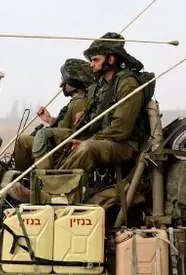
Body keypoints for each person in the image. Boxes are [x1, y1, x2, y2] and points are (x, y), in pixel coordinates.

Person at [58, 32, 150, 177]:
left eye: (95, 60)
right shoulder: (103, 85)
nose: (91, 65)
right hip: (104, 138)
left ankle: (52, 192)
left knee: (86, 149)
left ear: (111, 59)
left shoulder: (127, 84)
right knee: (63, 142)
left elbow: (121, 130)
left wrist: (89, 140)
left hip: (124, 145)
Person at [11, 58, 93, 173]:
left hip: (61, 149)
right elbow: (66, 126)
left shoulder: (79, 103)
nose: (61, 85)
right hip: (57, 145)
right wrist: (50, 120)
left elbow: (74, 132)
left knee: (23, 141)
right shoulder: (77, 102)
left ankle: (22, 177)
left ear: (74, 81)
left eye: (64, 80)